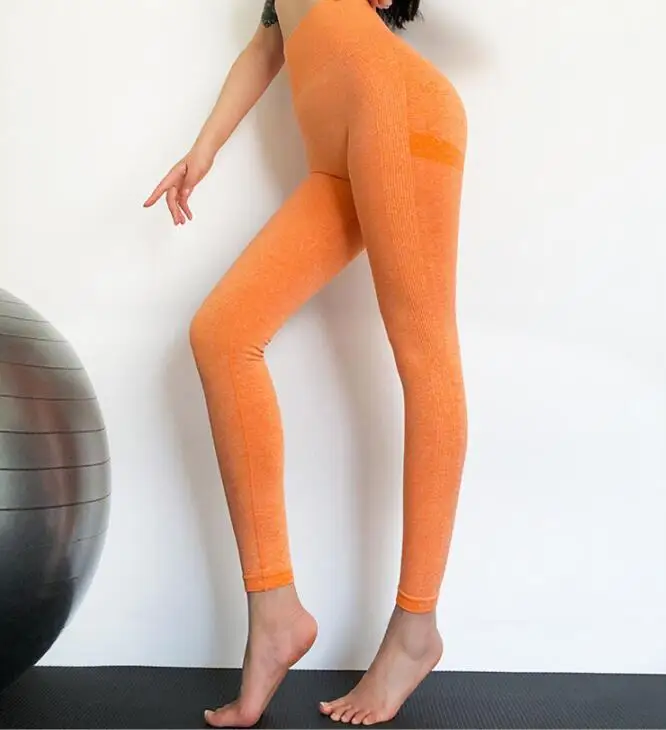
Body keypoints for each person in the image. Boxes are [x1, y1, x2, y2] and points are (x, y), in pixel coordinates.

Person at [144, 0, 468, 725]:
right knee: (222, 334)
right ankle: (275, 612)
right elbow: (268, 46)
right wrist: (204, 150)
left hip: (397, 107)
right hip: (336, 153)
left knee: (424, 358)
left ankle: (415, 628)